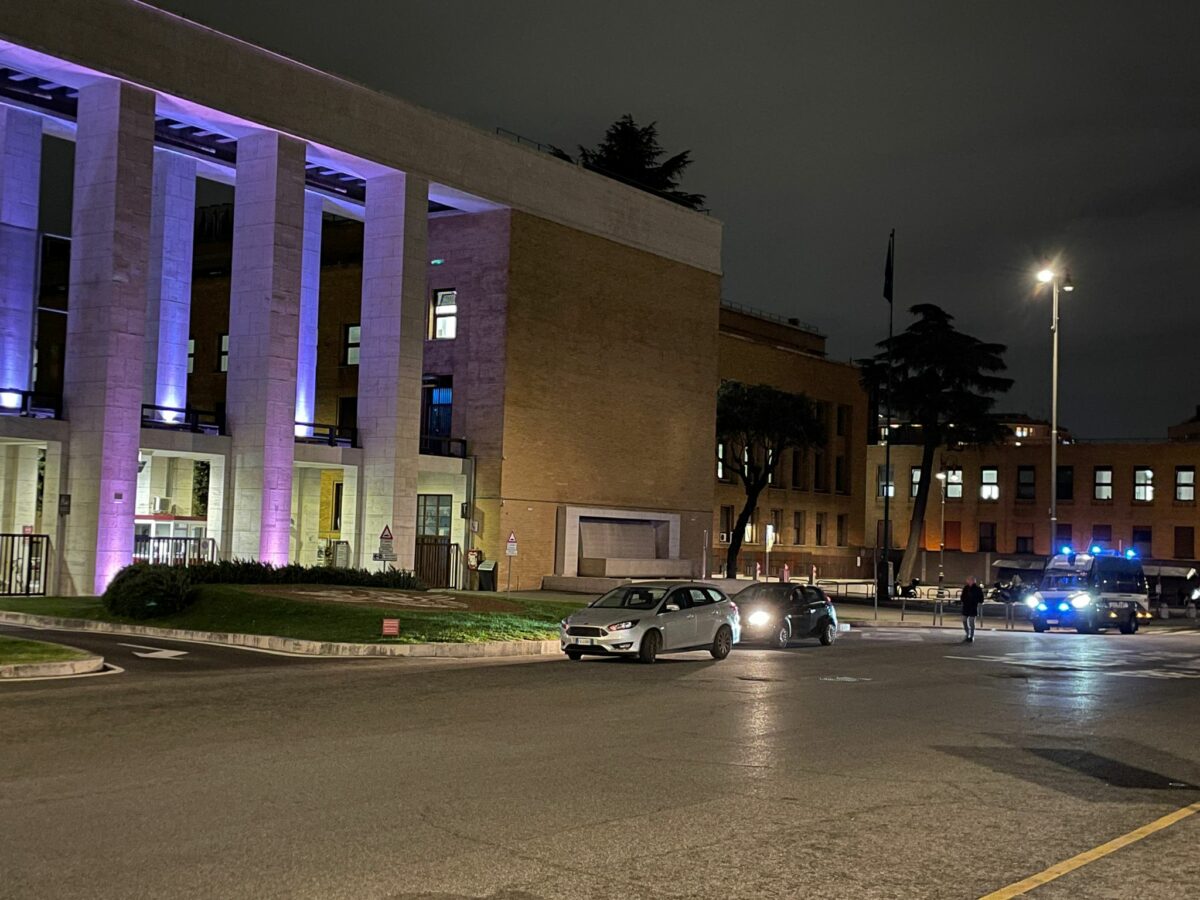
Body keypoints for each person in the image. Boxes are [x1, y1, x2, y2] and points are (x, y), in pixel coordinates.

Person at [960, 576, 984, 642]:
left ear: (973, 581)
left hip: (973, 607)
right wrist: (963, 600)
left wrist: (975, 600)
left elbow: (981, 599)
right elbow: (962, 596)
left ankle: (972, 636)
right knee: (964, 620)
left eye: (969, 580)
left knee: (971, 622)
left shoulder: (978, 589)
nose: (968, 581)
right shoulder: (966, 588)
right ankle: (968, 634)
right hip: (966, 606)